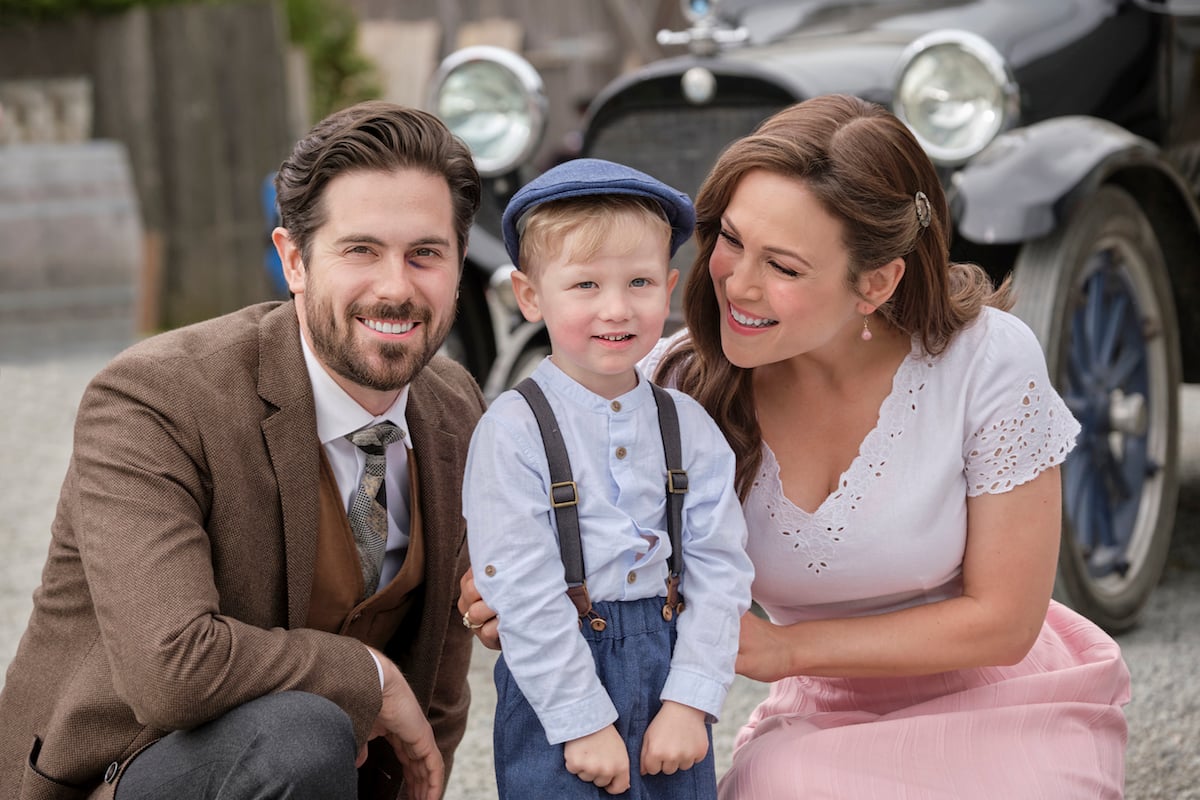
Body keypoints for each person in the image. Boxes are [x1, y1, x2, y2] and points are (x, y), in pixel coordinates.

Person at [459, 94, 1132, 798]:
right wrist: (512, 590)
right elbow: (571, 536)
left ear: (874, 283)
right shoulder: (672, 388)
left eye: (782, 266)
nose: (736, 284)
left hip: (1005, 704)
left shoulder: (987, 360)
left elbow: (1004, 622)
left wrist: (784, 648)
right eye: (731, 240)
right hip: (825, 724)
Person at [0, 101, 485, 800]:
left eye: (425, 254)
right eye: (361, 250)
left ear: (458, 264)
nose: (395, 287)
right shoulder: (155, 398)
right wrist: (370, 679)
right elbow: (173, 669)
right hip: (120, 774)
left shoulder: (453, 404)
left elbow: (437, 681)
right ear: (293, 260)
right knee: (301, 735)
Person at [462, 159, 754, 798]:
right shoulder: (513, 432)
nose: (616, 308)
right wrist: (580, 720)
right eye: (585, 285)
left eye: (640, 282)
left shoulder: (688, 425)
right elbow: (521, 588)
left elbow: (720, 566)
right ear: (530, 295)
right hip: (558, 673)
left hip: (667, 663)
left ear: (670, 287)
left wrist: (691, 701)